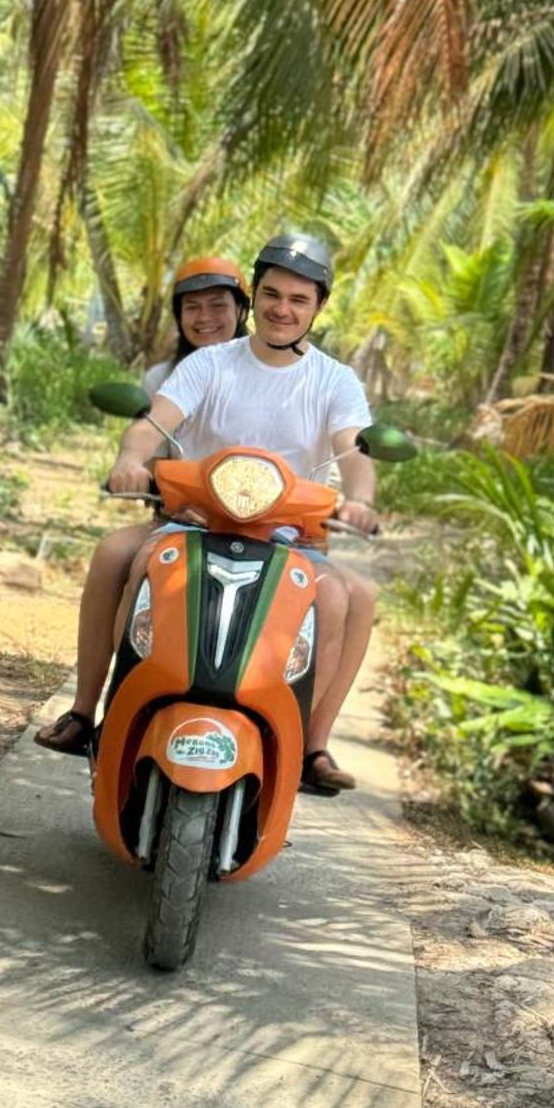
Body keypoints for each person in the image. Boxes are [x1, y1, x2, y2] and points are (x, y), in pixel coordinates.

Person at [104, 232, 380, 796]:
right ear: (254, 295)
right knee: (142, 568)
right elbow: (156, 420)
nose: (283, 309)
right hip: (196, 525)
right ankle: (120, 714)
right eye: (273, 294)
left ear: (319, 307)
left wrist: (360, 499)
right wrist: (132, 458)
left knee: (332, 597)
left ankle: (301, 741)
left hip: (288, 539)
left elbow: (354, 449)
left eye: (299, 300)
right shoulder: (210, 365)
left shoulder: (336, 380)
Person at [35, 255, 250, 755]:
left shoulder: (267, 373)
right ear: (176, 316)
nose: (205, 318)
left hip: (260, 529)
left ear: (243, 309)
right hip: (177, 522)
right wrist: (137, 468)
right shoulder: (164, 376)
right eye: (191, 308)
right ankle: (90, 709)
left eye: (218, 306)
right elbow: (149, 443)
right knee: (115, 555)